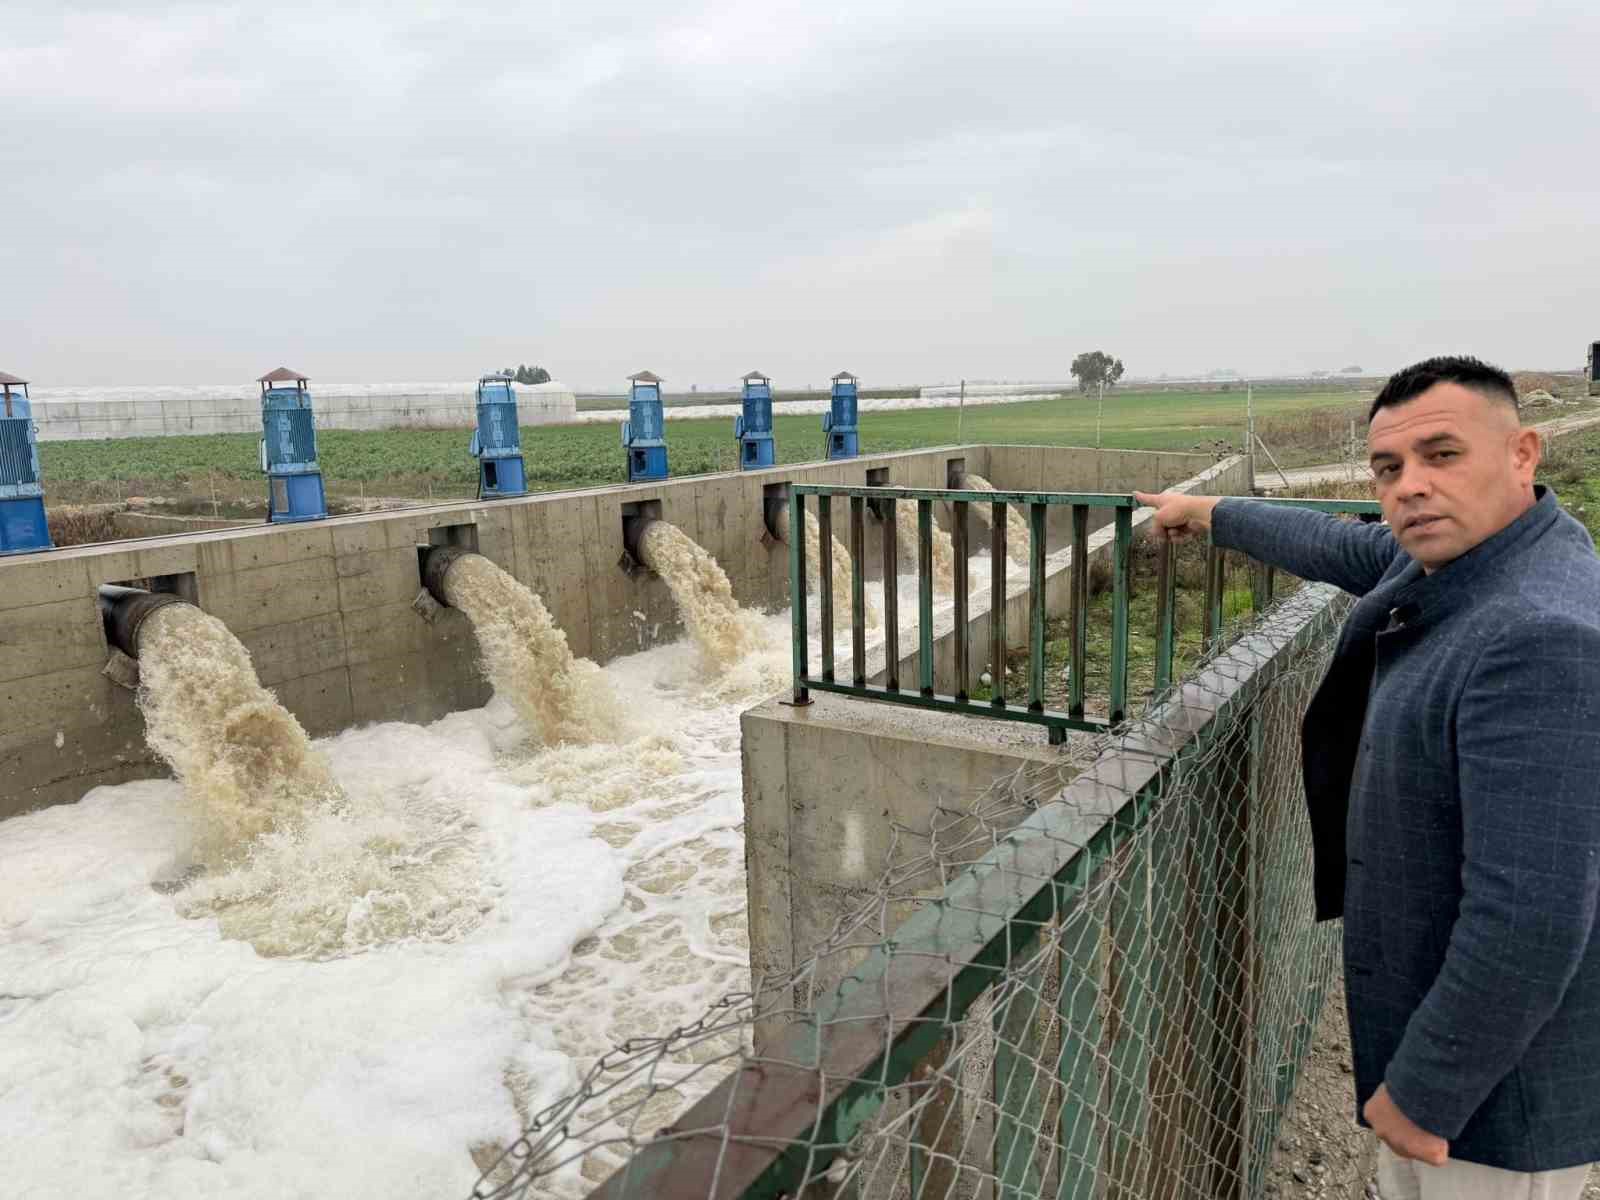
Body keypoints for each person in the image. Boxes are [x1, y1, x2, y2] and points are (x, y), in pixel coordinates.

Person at [1134, 356, 1600, 1200]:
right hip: (1459, 1061)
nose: (1410, 488)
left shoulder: (1539, 635)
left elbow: (1531, 916)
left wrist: (1425, 1095)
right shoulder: (1478, 555)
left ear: (1523, 454)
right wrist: (1210, 512)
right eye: (1389, 469)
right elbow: (1343, 544)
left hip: (1493, 1112)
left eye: (1442, 455)